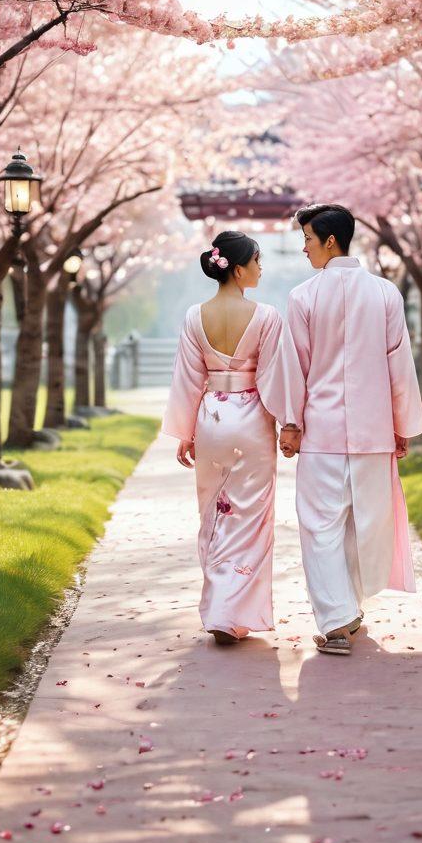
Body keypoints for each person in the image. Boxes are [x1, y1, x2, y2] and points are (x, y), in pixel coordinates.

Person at [259, 204, 422, 656]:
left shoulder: (304, 297)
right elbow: (399, 365)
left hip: (323, 434)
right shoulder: (387, 294)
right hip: (373, 433)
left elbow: (296, 368)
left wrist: (291, 423)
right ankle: (349, 611)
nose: (304, 248)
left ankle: (336, 620)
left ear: (330, 241)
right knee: (363, 524)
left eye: (308, 239)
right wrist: (401, 424)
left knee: (320, 526)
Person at [162, 230, 283, 646]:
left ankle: (218, 609)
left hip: (211, 417)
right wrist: (287, 423)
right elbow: (273, 377)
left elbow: (187, 379)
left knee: (215, 513)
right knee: (251, 515)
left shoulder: (195, 315)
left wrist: (185, 431)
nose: (261, 268)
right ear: (238, 268)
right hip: (252, 420)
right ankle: (235, 613)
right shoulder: (267, 316)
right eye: (257, 261)